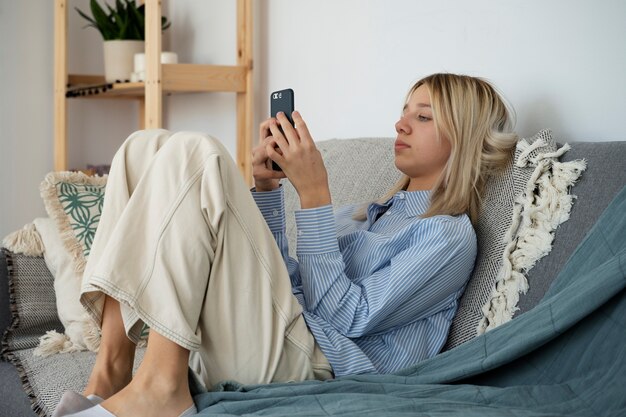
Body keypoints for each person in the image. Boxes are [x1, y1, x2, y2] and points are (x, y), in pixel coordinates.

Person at [53, 73, 518, 417]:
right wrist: (269, 193)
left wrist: (314, 194)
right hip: (280, 339)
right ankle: (112, 371)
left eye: (423, 116)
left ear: (465, 137)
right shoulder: (361, 216)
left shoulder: (448, 237)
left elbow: (343, 319)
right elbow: (279, 281)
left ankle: (160, 388)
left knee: (199, 153)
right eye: (404, 111)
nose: (400, 125)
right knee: (143, 146)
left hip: (319, 371)